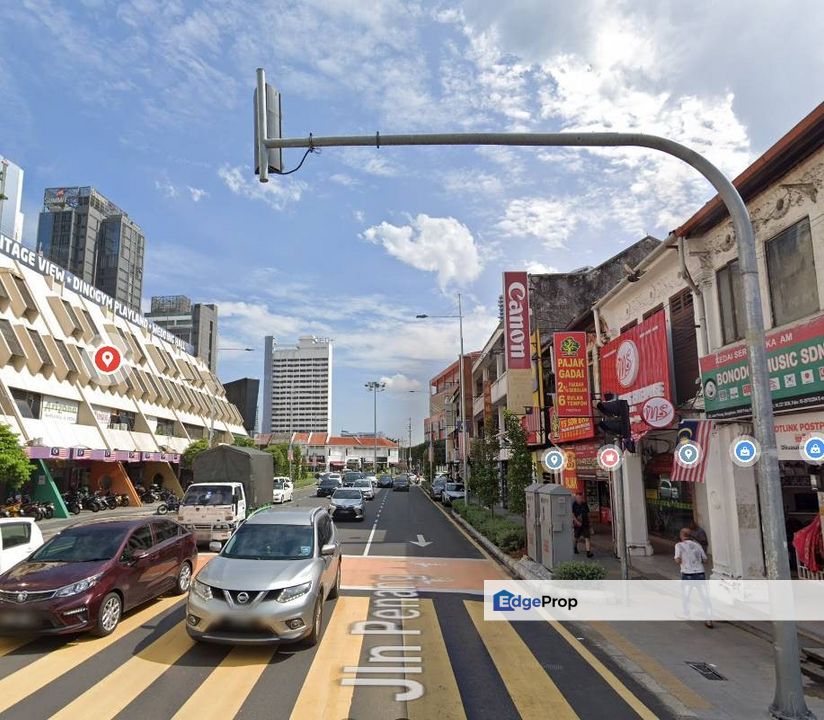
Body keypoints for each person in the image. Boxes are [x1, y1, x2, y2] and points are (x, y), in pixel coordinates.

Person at [674, 527, 713, 628]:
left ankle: (687, 614)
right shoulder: (698, 545)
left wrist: (682, 561)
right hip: (700, 573)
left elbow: (677, 560)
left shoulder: (679, 545)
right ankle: (708, 619)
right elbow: (705, 560)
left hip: (687, 574)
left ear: (681, 535)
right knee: (704, 597)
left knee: (686, 595)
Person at [571, 493, 593, 557]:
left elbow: (588, 513)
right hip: (577, 524)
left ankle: (588, 552)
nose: (579, 499)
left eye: (580, 498)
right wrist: (576, 522)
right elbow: (573, 515)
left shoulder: (584, 504)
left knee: (587, 537)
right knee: (576, 537)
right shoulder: (574, 505)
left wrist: (590, 522)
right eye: (578, 498)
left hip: (585, 523)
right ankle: (575, 547)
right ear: (576, 498)